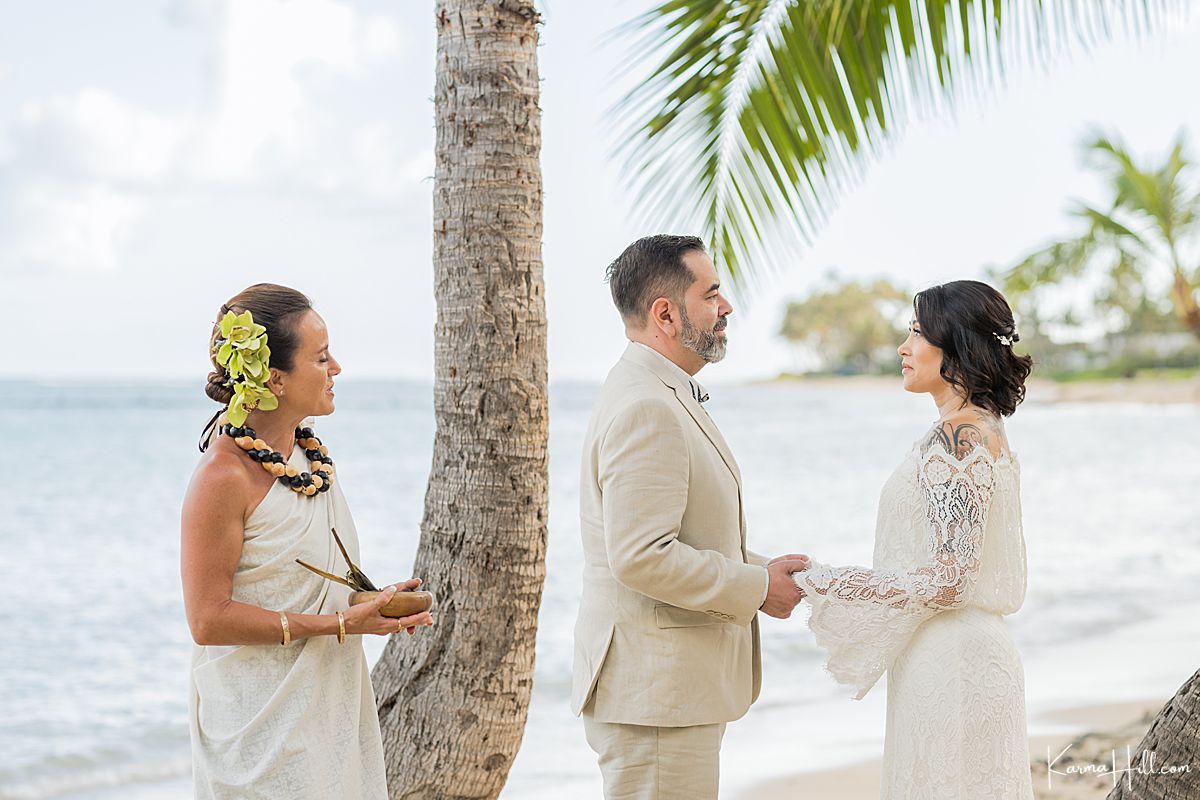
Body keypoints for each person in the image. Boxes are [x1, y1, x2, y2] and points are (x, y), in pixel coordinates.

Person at [571, 235, 810, 800]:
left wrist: (763, 568)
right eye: (712, 294)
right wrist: (755, 587)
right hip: (655, 699)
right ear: (665, 315)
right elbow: (641, 557)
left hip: (664, 693)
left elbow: (680, 536)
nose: (726, 307)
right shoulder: (647, 405)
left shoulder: (656, 390)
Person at [181, 283, 433, 799]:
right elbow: (208, 620)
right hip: (262, 735)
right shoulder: (222, 478)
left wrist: (368, 603)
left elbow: (294, 580)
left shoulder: (307, 458)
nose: (336, 367)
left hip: (329, 718)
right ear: (274, 377)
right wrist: (340, 623)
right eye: (321, 358)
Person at [791, 279, 1036, 799]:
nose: (904, 347)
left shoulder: (958, 437)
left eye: (918, 334)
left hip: (953, 665)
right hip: (961, 657)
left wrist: (828, 583)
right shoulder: (980, 428)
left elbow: (950, 580)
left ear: (957, 348)